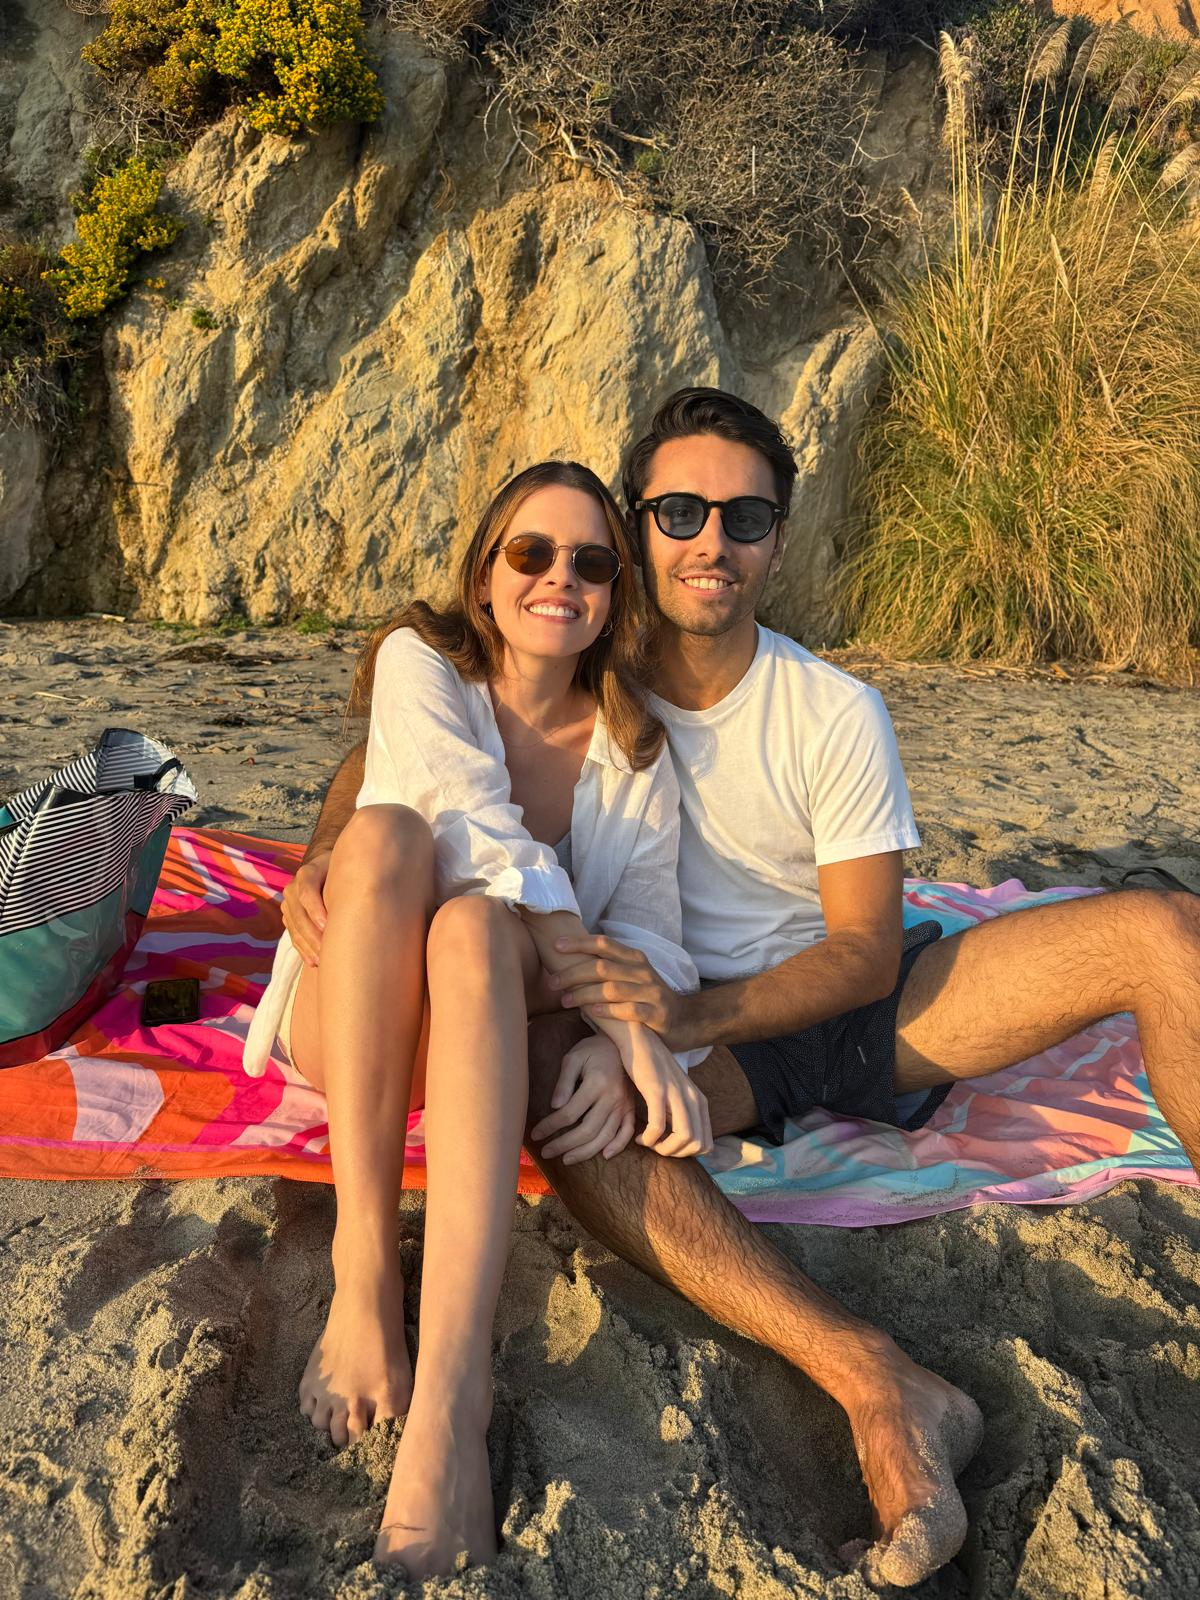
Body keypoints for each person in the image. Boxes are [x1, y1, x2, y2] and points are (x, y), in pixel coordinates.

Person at [283, 390, 1200, 1589]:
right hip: (701, 1047)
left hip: (860, 1009)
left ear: (777, 536)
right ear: (641, 529)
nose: (711, 540)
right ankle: (881, 1385)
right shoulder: (591, 665)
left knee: (1160, 927)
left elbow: (867, 952)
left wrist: (666, 1020)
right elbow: (423, 736)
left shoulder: (828, 708)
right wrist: (328, 841)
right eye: (678, 510)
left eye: (745, 515)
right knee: (570, 1102)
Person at [243, 460, 712, 1579]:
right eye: (532, 553)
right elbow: (469, 815)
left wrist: (617, 1029)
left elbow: (653, 932)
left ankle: (453, 1395)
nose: (562, 578)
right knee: (398, 838)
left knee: (470, 934)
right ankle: (366, 1274)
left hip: (482, 1033)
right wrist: (617, 1010)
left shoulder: (634, 747)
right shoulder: (423, 666)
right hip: (356, 1023)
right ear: (486, 575)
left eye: (594, 562)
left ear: (617, 594)